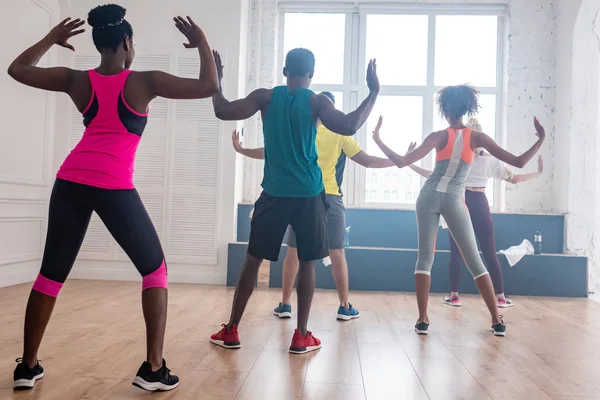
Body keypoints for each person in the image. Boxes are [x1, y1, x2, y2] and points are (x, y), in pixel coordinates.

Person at [7, 4, 218, 391]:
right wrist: (202, 43)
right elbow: (209, 86)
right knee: (155, 271)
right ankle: (153, 369)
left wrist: (50, 40)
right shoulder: (145, 81)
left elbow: (17, 70)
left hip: (69, 180)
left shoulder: (76, 80)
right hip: (113, 184)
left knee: (50, 276)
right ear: (126, 43)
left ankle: (27, 367)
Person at [209, 49, 379, 353]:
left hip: (274, 193)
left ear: (285, 70)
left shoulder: (265, 97)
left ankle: (232, 329)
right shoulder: (316, 101)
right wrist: (373, 92)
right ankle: (301, 335)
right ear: (311, 75)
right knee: (308, 262)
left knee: (252, 260)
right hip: (310, 195)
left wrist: (216, 81)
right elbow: (350, 125)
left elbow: (222, 110)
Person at [371, 84, 545, 337]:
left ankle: (422, 320)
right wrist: (540, 138)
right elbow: (518, 162)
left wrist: (378, 140)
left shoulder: (437, 136)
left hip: (428, 196)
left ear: (444, 109)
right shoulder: (477, 137)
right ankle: (497, 321)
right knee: (474, 259)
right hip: (454, 198)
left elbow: (400, 162)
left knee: (424, 259)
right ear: (467, 107)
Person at [231, 92, 395, 322]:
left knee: (294, 251)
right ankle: (344, 306)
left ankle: (286, 304)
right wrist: (397, 161)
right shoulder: (339, 134)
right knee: (336, 251)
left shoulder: (304, 130)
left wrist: (242, 150)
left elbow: (269, 153)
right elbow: (367, 160)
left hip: (303, 196)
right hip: (330, 197)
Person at [406, 118, 544, 308]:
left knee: (456, 251)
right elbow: (515, 179)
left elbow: (432, 175)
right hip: (479, 203)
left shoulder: (459, 158)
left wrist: (410, 163)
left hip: (459, 201)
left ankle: (454, 295)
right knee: (489, 252)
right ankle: (501, 297)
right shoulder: (491, 161)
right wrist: (537, 174)